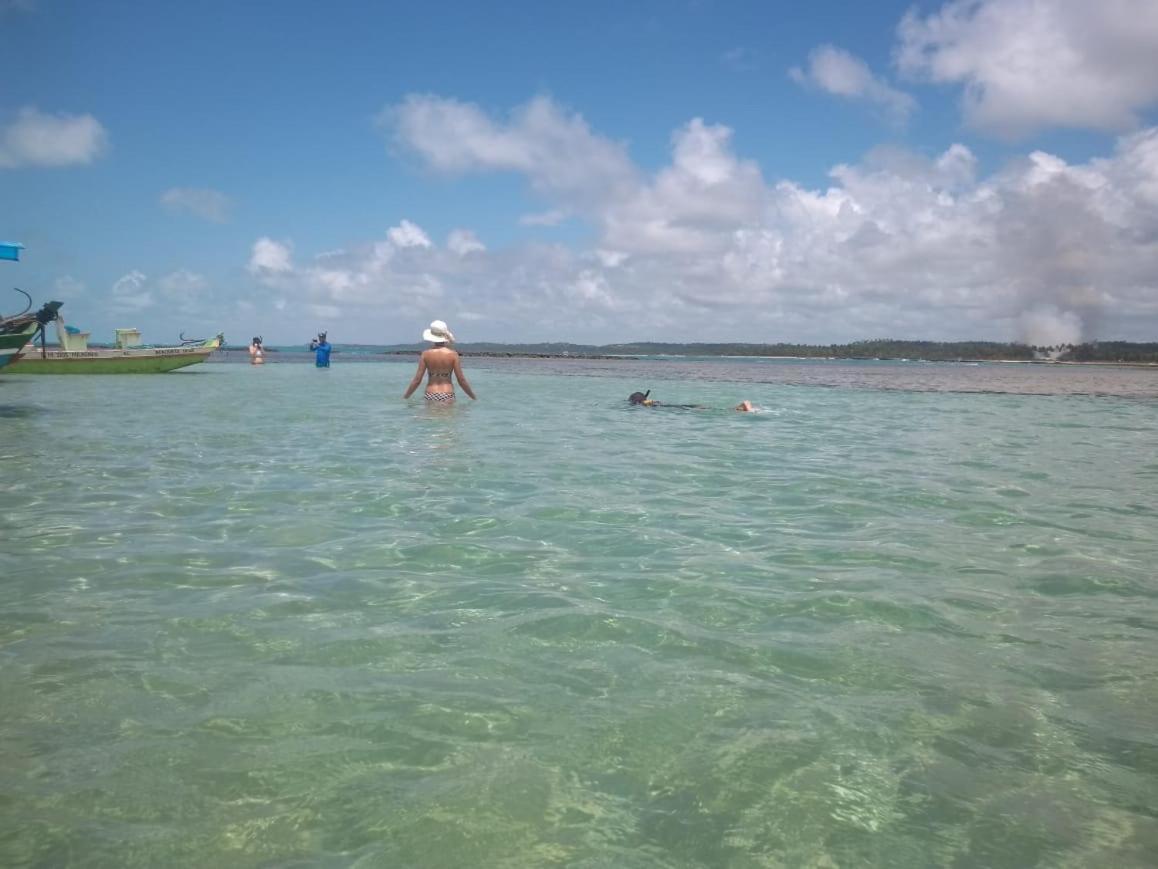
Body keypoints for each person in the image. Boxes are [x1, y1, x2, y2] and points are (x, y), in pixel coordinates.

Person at [403, 319, 477, 403]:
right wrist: (473, 397)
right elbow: (461, 380)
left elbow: (417, 380)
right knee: (446, 416)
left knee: (430, 417)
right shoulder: (453, 354)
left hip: (430, 393)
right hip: (447, 394)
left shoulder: (425, 354)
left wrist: (406, 396)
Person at [629, 390, 754, 411]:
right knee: (693, 407)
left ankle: (738, 408)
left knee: (695, 409)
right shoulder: (650, 401)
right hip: (669, 405)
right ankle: (737, 408)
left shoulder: (639, 404)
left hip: (669, 408)